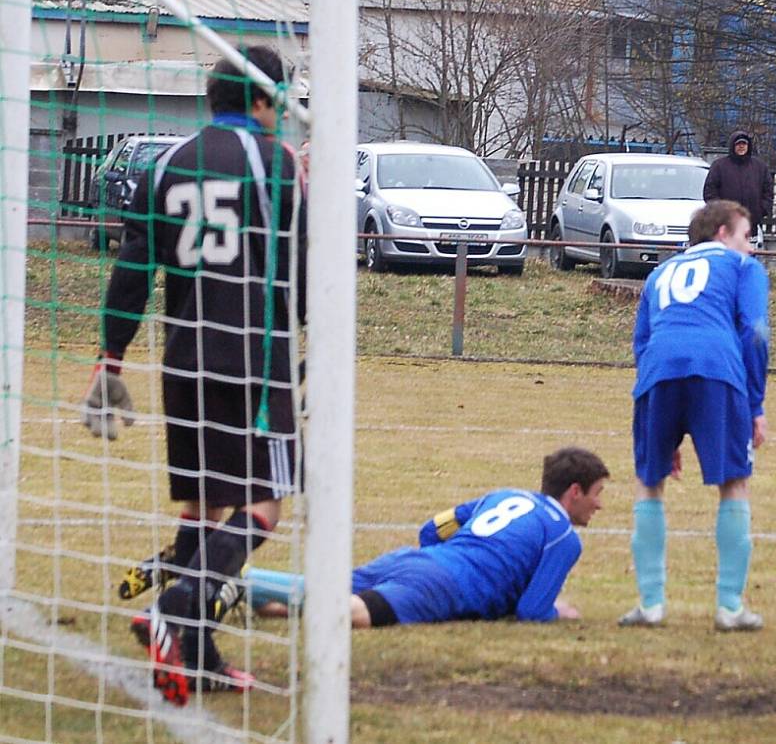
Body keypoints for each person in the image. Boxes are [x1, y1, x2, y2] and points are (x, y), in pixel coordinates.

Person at [80, 45, 306, 706]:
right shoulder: (278, 164)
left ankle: (198, 656)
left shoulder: (167, 163)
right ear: (264, 100)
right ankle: (176, 607)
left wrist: (110, 355)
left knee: (202, 507)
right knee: (265, 503)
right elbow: (293, 271)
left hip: (183, 361)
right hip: (253, 360)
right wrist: (310, 346)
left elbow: (132, 267)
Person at [246, 447, 608, 628]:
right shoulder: (563, 537)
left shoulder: (504, 495)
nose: (600, 505)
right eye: (598, 493)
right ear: (574, 492)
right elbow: (531, 610)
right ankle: (229, 582)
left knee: (300, 600)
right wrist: (556, 611)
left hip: (415, 561)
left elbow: (432, 530)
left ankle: (233, 584)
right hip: (443, 585)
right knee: (354, 613)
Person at [619, 200, 769, 632]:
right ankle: (729, 607)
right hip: (717, 369)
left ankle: (650, 604)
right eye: (746, 236)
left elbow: (642, 340)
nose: (751, 247)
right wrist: (755, 404)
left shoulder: (660, 272)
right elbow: (755, 332)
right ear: (723, 233)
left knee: (650, 483)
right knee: (734, 482)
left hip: (657, 371)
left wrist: (664, 415)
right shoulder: (743, 270)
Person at [703, 129, 773, 244]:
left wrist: (761, 210)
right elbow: (710, 192)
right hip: (725, 222)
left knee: (749, 254)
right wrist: (720, 212)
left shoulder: (760, 167)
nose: (741, 147)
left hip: (751, 223)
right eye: (738, 144)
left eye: (744, 144)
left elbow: (768, 192)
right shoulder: (719, 166)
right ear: (732, 146)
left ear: (748, 146)